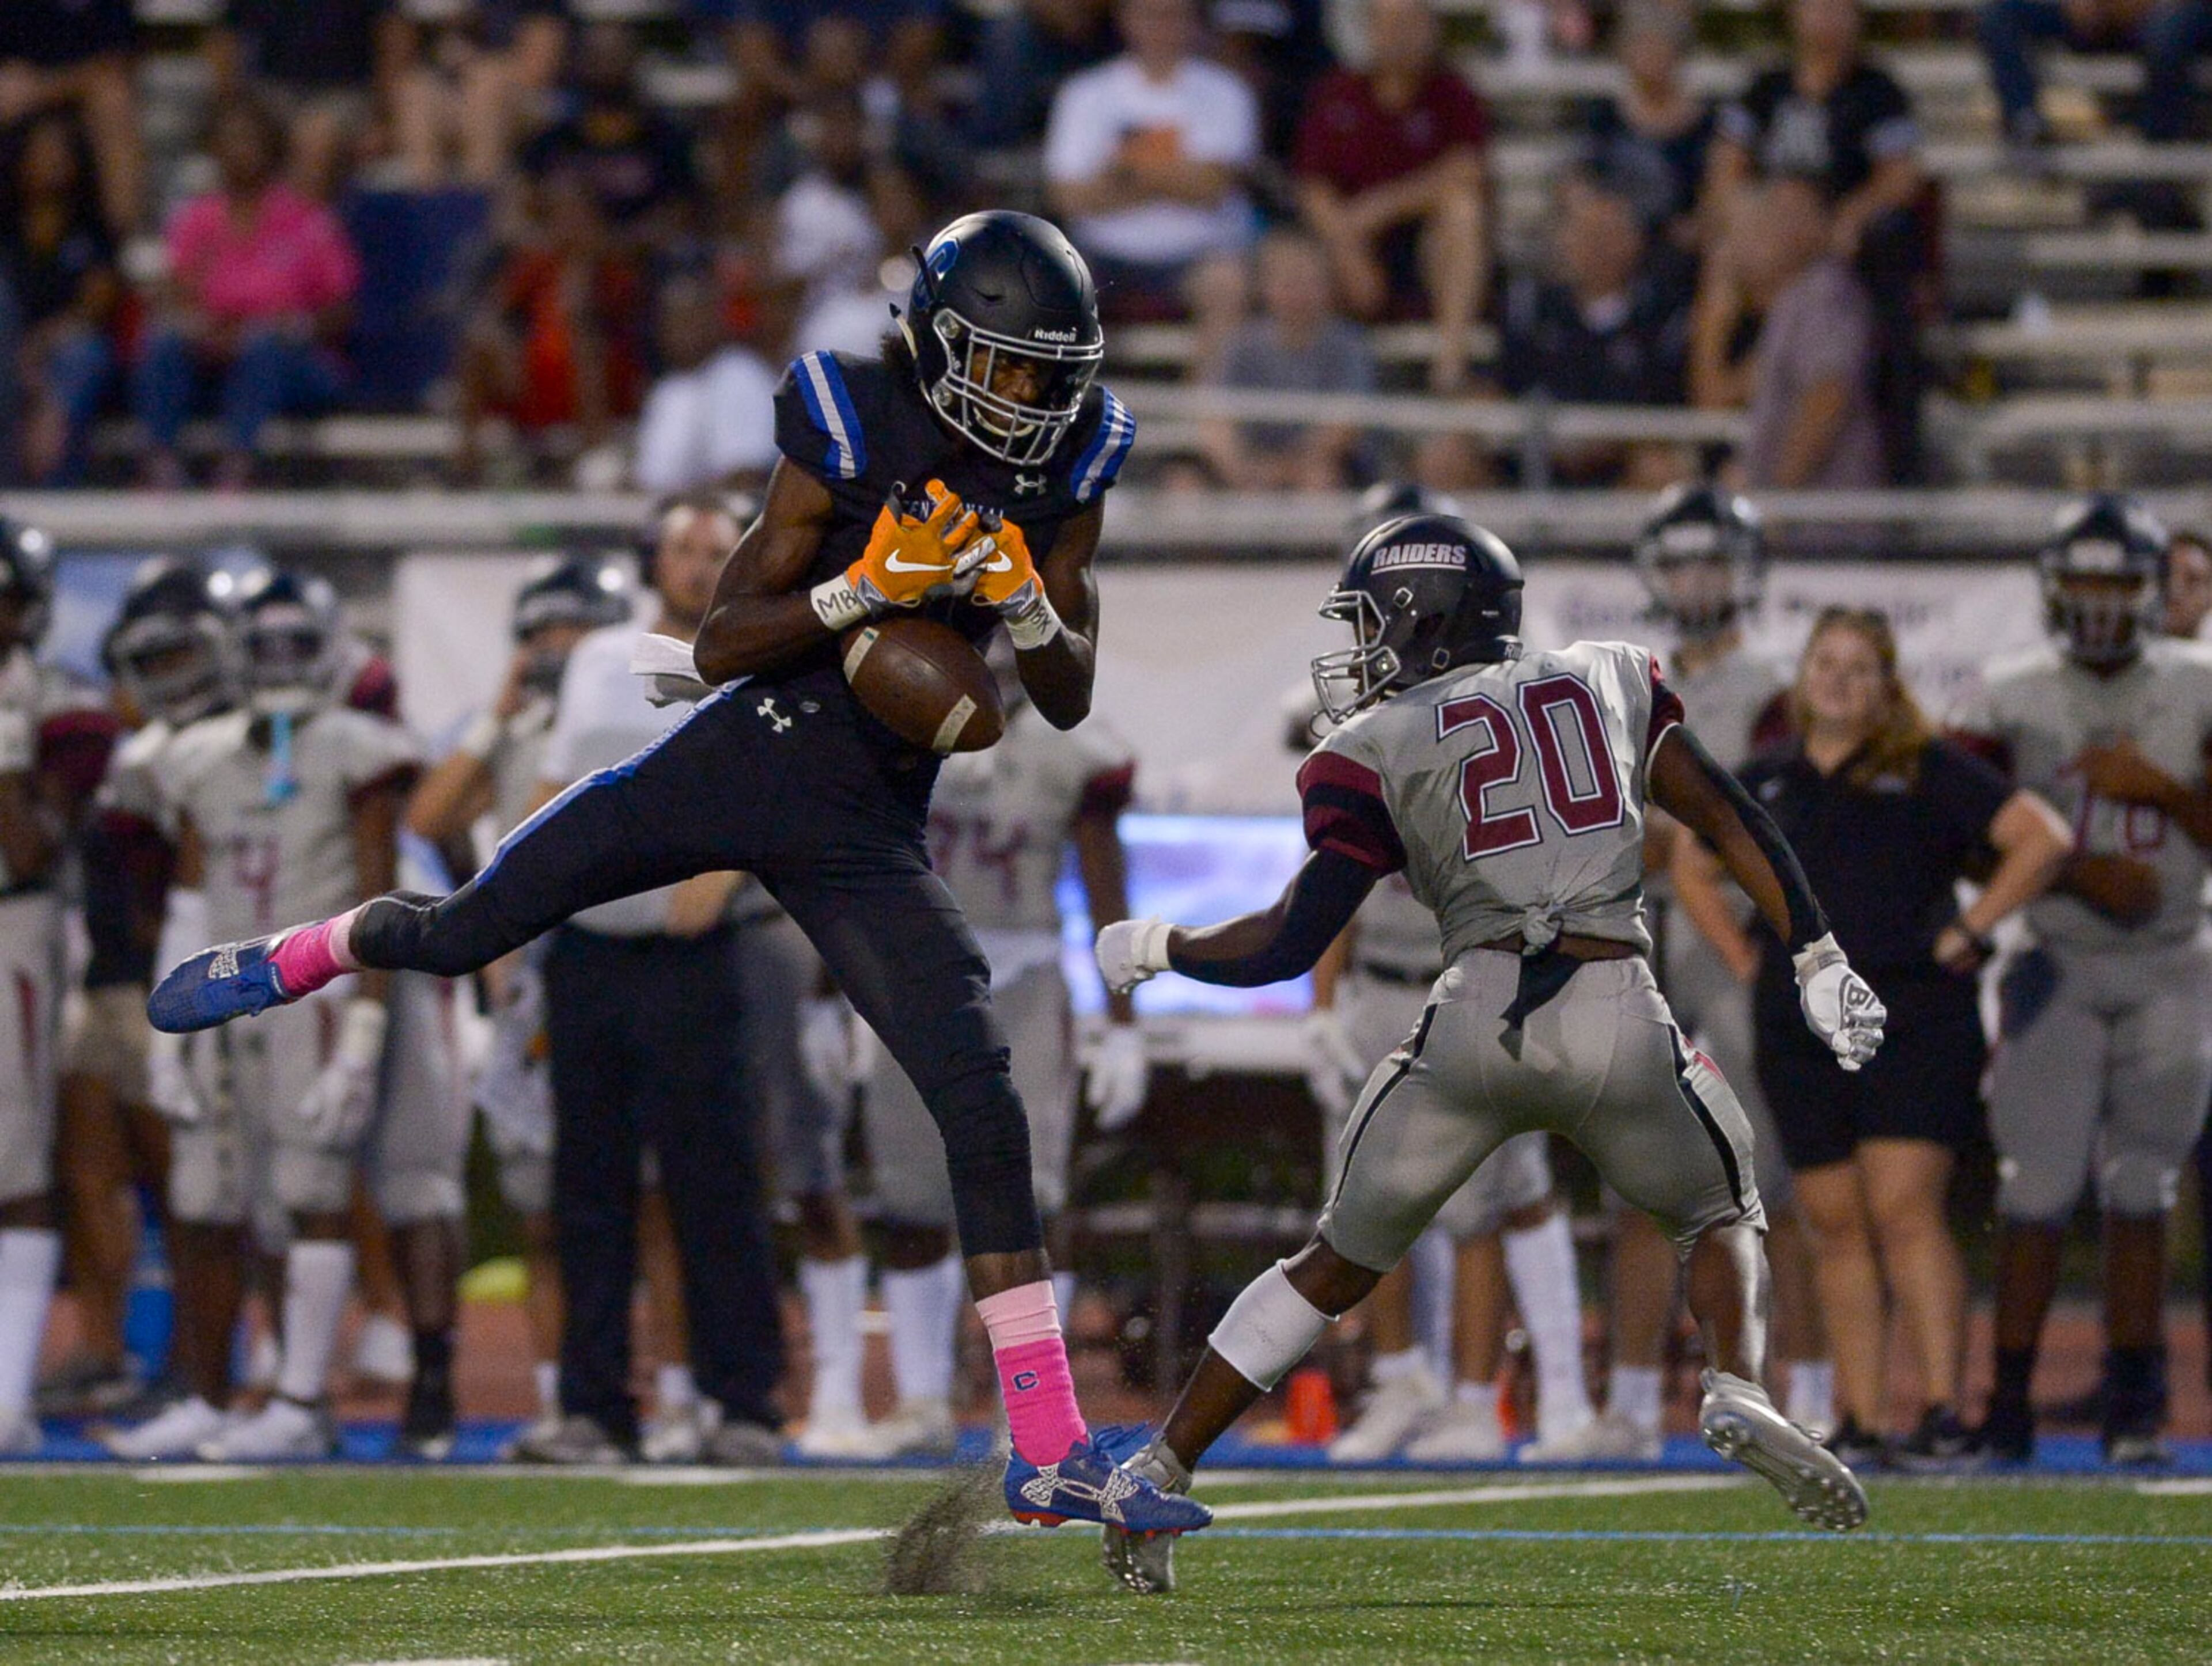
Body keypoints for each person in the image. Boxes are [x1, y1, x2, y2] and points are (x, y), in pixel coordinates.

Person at [147, 211, 1206, 1540]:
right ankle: (305, 952)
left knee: (980, 1104)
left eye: (1053, 373)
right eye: (1008, 367)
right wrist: (865, 590)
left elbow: (1062, 694)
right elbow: (719, 643)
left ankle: (1044, 1444)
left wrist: (1028, 602)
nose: (1034, 398)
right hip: (743, 753)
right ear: (939, 346)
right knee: (467, 927)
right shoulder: (848, 415)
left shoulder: (1074, 458)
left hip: (868, 823)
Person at [1090, 508, 1885, 1594]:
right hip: (1616, 1003)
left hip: (1472, 1015)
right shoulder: (1610, 678)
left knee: (1332, 1263)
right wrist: (1816, 949)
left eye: (1373, 621)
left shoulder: (1372, 745)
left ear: (1424, 618)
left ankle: (1160, 1465)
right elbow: (1730, 816)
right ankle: (1738, 1383)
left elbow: (1286, 942)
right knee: (1718, 1212)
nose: (1362, 646)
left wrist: (1162, 945)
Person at [1683, 608, 2070, 1467]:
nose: (1840, 680)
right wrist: (1746, 962)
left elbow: (2041, 840)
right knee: (1833, 1223)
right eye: (1827, 662)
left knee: (1903, 1210)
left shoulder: (1928, 766)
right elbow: (1691, 861)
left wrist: (1971, 930)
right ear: (1802, 676)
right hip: (1798, 1025)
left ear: (1888, 684)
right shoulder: (1768, 777)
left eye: (1861, 667)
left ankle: (1940, 1413)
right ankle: (1860, 1417)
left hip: (1913, 1014)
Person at [132, 571, 465, 1462]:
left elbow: (376, 903)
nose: (279, 663)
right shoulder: (200, 757)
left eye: (296, 644)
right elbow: (190, 899)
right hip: (230, 994)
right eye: (264, 645)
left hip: (323, 989)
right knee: (218, 1195)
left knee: (324, 1189)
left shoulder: (360, 748)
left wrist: (359, 1040)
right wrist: (167, 1034)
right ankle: (234, 1393)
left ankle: (311, 1397)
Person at [1299, 485, 1596, 1466]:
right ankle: (1403, 1380)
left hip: (1475, 974)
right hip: (1383, 974)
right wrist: (1323, 1003)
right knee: (1368, 1196)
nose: (1364, 636)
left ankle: (1475, 1396)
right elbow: (1332, 871)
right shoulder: (1368, 717)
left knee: (1479, 1203)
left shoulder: (1520, 710)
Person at [1540, 485, 1832, 1463]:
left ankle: (1810, 1393)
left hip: (1737, 945)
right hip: (1637, 941)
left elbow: (1762, 825)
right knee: (1633, 1187)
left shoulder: (1777, 688)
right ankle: (1628, 1405)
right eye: (1683, 561)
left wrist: (1682, 842)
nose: (1699, 581)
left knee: (1776, 1183)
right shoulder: (1622, 680)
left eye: (1715, 561)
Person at [1948, 495, 2212, 1467]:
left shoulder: (2198, 682)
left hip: (2172, 956)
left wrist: (2165, 791)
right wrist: (2072, 871)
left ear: (2150, 589)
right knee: (2037, 1187)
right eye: (2085, 583)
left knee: (2144, 1185)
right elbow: (1961, 837)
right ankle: (2008, 1406)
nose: (2100, 604)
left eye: (2118, 583)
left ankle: (2137, 1407)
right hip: (2055, 956)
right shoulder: (2007, 692)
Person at [846, 642, 1146, 1458]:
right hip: (913, 975)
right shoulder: (894, 723)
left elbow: (1107, 883)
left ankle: (1034, 1410)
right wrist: (823, 998)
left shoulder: (1068, 748)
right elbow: (849, 865)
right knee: (910, 1198)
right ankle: (921, 1398)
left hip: (1023, 981)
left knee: (1036, 1198)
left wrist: (1124, 1019)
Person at [404, 553, 634, 1448]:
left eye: (574, 629)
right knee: (546, 1215)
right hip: (534, 993)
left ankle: (679, 1397)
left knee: (648, 1210)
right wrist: (497, 715)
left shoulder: (638, 717)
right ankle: (558, 1401)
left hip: (624, 966)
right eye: (542, 631)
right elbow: (429, 820)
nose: (556, 646)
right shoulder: (512, 728)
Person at [130, 98, 360, 491]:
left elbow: (342, 309)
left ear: (271, 147)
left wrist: (291, 326)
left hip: (289, 360)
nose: (240, 150)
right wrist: (199, 327)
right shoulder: (197, 218)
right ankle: (159, 464)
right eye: (230, 139)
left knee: (262, 345)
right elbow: (174, 295)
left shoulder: (306, 220)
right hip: (212, 355)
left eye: (250, 139)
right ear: (214, 148)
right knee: (164, 341)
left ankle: (238, 467)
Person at [1290, 0, 1488, 393]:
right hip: (1353, 244)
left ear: (1431, 29)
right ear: (1370, 31)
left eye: (1411, 23)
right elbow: (1312, 187)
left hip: (1424, 247)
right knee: (1294, 258)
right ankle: (1314, 387)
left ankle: (1449, 367)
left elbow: (1467, 171)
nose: (1401, 36)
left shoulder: (1453, 93)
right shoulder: (1338, 93)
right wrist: (1346, 244)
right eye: (1390, 24)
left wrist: (1383, 207)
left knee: (1463, 214)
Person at [1044, 0, 1259, 320]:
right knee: (1050, 283)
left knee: (1227, 283)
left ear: (1193, 21)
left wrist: (1123, 173)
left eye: (1172, 15)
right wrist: (1177, 176)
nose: (1161, 27)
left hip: (1200, 254)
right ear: (1126, 19)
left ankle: (1214, 359)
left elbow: (1212, 190)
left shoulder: (1227, 92)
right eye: (1150, 15)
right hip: (1101, 254)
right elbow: (1069, 197)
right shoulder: (1085, 93)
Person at [0, 521, 65, 1456]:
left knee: (14, 1166)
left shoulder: (55, 703)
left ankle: (8, 1392)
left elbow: (30, 847)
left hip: (10, 923)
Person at [1698, 177, 1886, 496]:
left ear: (1821, 228)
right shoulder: (1790, 302)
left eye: (1789, 215)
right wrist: (1714, 316)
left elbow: (1827, 396)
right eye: (1770, 213)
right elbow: (1716, 399)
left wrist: (1778, 495)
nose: (1770, 227)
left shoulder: (1825, 294)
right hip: (1784, 503)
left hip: (1821, 511)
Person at [1198, 228, 1376, 493]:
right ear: (1265, 287)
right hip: (1254, 462)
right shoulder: (1243, 344)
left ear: (1327, 286)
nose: (1299, 295)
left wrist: (1289, 467)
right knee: (1187, 484)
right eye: (1288, 283)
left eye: (1308, 282)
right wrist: (1240, 469)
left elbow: (1346, 424)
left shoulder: (1347, 345)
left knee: (1319, 480)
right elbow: (1215, 418)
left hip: (1323, 464)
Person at [1, 108, 120, 485]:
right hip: (8, 350)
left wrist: (36, 352)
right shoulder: (7, 227)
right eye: (43, 152)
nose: (52, 161)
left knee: (83, 355)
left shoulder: (93, 229)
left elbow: (94, 309)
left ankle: (53, 480)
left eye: (61, 152)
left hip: (60, 352)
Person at [1978, 0, 2212, 154]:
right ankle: (2025, 120)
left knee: (2168, 38)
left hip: (2162, 18)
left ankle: (2161, 151)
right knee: (2001, 14)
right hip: (2093, 17)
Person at [1579, 0, 1715, 249]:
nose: (1652, 56)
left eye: (1661, 46)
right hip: (1615, 236)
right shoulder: (1604, 116)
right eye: (1643, 46)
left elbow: (1718, 184)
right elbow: (1580, 177)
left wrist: (1701, 222)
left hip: (1684, 238)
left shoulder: (1706, 122)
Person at [632, 273, 779, 494]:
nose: (682, 333)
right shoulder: (668, 389)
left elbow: (747, 477)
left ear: (714, 321)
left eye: (690, 320)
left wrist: (678, 501)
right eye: (673, 322)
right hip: (663, 510)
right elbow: (651, 478)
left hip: (721, 513)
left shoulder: (740, 375)